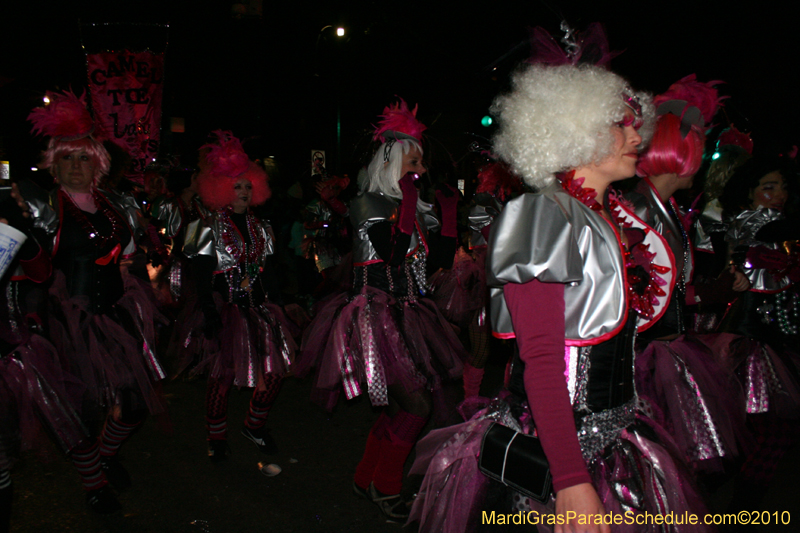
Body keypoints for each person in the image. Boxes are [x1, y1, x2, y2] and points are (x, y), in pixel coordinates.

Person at [409, 27, 708, 533]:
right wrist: (571, 478)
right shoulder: (543, 217)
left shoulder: (609, 216)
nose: (639, 137)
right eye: (622, 125)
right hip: (559, 447)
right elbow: (543, 358)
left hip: (616, 438)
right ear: (575, 130)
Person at [296, 99, 464, 521]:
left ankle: (365, 478)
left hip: (408, 311)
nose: (421, 171)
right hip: (374, 316)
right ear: (391, 161)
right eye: (414, 161)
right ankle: (386, 486)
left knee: (399, 408)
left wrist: (447, 214)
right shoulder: (367, 203)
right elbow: (389, 256)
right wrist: (409, 203)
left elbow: (438, 261)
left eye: (422, 163)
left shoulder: (410, 205)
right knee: (416, 408)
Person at [24, 89, 167, 511]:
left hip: (116, 314)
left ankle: (104, 458)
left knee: (135, 403)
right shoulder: (45, 209)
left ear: (98, 162)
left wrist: (145, 276)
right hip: (66, 322)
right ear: (54, 162)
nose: (74, 166)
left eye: (83, 157)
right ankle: (94, 483)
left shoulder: (114, 204)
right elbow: (30, 270)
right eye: (65, 158)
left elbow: (130, 256)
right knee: (81, 411)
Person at [625, 75, 748, 471]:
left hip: (666, 346)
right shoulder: (637, 209)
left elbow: (671, 289)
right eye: (699, 145)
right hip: (640, 356)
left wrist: (713, 291)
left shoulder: (669, 210)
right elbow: (639, 297)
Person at [172, 130, 295, 462]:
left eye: (248, 186)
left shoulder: (262, 227)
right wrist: (209, 310)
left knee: (274, 371)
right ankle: (216, 435)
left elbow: (268, 270)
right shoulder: (206, 227)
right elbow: (200, 275)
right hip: (224, 309)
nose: (243, 191)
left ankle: (254, 426)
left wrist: (278, 301)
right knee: (223, 375)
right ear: (221, 189)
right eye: (236, 186)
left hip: (259, 308)